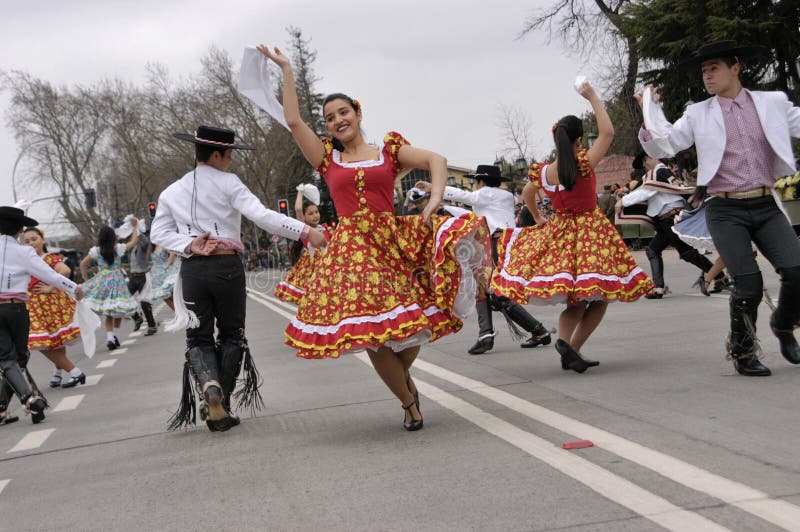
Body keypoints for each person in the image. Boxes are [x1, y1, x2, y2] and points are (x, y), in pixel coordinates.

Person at [259, 43, 490, 431]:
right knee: (374, 336)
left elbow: (437, 160)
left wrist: (435, 198)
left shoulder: (389, 151)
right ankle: (408, 401)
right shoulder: (326, 158)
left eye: (343, 112)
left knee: (417, 322)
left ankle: (404, 385)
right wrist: (285, 69)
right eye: (330, 117)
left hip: (395, 244)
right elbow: (295, 121)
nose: (337, 120)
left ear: (358, 113)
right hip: (353, 253)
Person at [636, 40, 800, 376]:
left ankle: (783, 326)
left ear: (735, 68)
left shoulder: (772, 103)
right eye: (704, 70)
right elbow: (669, 141)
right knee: (748, 283)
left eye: (714, 69)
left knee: (796, 272)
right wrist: (648, 116)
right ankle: (743, 353)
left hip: (766, 203)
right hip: (725, 210)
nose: (707, 76)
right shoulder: (698, 113)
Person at [150, 125, 326, 432]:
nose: (231, 160)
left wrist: (189, 244)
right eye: (230, 155)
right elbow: (262, 216)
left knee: (198, 336)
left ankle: (209, 386)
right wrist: (306, 231)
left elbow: (159, 233)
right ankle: (224, 403)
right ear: (217, 154)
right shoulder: (228, 183)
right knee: (232, 334)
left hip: (192, 269)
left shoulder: (171, 191)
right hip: (225, 267)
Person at [491, 81, 653, 373]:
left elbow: (528, 193)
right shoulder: (583, 162)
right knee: (601, 297)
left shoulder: (546, 171)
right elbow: (608, 132)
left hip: (561, 233)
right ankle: (572, 347)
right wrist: (592, 97)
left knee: (576, 299)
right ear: (580, 140)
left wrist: (539, 219)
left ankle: (567, 344)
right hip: (590, 233)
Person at [416, 165, 551, 354]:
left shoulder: (485, 195)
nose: (474, 186)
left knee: (492, 292)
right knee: (487, 290)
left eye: (475, 182)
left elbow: (466, 197)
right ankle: (488, 334)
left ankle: (534, 331)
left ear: (481, 181)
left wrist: (434, 188)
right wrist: (445, 207)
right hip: (507, 243)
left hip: (493, 245)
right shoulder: (505, 197)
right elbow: (476, 216)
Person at [0, 207, 83, 425]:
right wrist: (73, 288)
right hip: (17, 309)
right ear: (19, 230)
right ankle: (22, 401)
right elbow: (51, 275)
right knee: (17, 357)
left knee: (8, 359)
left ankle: (20, 402)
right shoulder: (24, 252)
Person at [620, 151, 715, 299]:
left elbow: (646, 193)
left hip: (671, 217)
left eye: (644, 163)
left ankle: (719, 275)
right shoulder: (663, 172)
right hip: (668, 219)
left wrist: (623, 201)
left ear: (647, 159)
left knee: (686, 253)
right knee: (653, 249)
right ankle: (658, 287)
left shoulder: (658, 172)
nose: (644, 166)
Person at [22, 227, 86, 388]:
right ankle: (59, 372)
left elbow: (65, 270)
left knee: (40, 343)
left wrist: (50, 287)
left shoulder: (48, 258)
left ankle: (75, 372)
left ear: (42, 240)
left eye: (34, 239)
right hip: (35, 307)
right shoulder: (26, 260)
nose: (31, 243)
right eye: (27, 241)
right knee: (51, 343)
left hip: (50, 306)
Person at [79, 224, 140, 351]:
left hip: (103, 281)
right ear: (113, 237)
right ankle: (114, 336)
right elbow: (134, 241)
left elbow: (83, 264)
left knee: (109, 313)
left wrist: (86, 279)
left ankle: (111, 338)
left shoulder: (96, 251)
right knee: (119, 310)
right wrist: (135, 227)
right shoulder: (118, 249)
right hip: (118, 281)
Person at [275, 188, 331, 305]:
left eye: (316, 212)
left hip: (332, 271)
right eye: (310, 213)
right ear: (304, 218)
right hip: (316, 277)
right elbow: (298, 209)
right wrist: (300, 191)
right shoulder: (305, 232)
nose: (315, 215)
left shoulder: (327, 229)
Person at [127, 226, 158, 336]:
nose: (132, 237)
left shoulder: (143, 245)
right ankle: (137, 317)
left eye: (134, 235)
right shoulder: (131, 247)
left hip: (143, 277)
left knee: (145, 303)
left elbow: (145, 241)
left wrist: (137, 228)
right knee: (125, 298)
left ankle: (152, 326)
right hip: (133, 277)